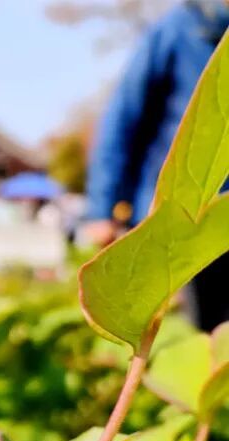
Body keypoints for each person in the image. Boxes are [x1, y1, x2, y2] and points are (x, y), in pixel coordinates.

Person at [85, 0, 229, 330]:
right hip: (175, 219)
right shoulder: (177, 28)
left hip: (224, 225)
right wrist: (102, 207)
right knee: (183, 332)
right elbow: (124, 117)